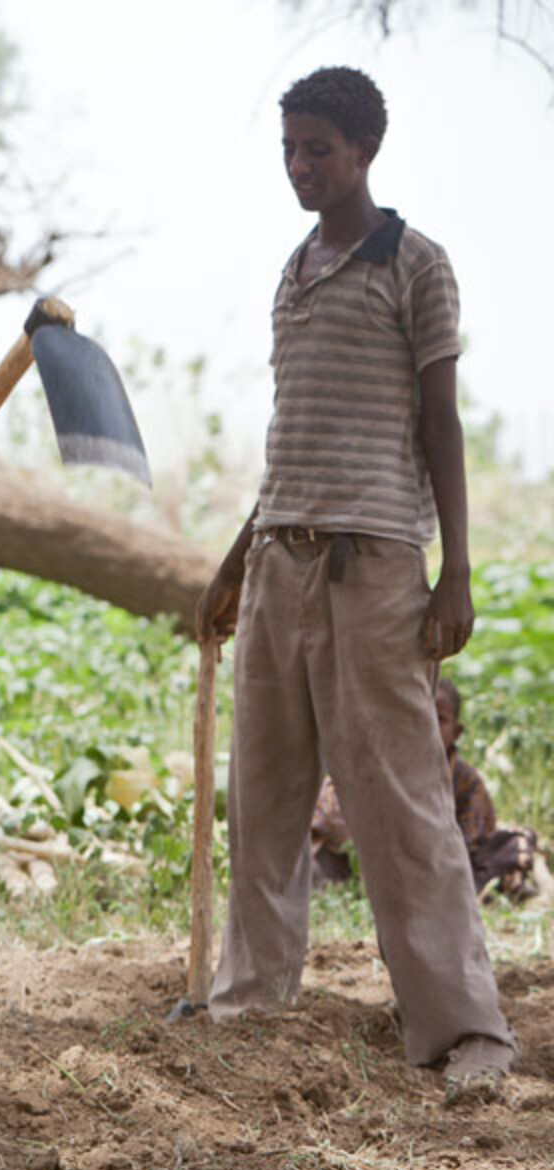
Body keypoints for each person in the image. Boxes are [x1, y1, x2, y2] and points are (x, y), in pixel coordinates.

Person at [195, 66, 518, 1092]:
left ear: (364, 150)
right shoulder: (293, 272)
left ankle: (464, 1030)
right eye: (288, 149)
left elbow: (438, 423)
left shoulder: (414, 265)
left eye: (317, 150)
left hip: (374, 565)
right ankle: (248, 999)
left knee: (399, 799)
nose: (299, 167)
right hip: (279, 562)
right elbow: (291, 439)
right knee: (265, 793)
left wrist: (453, 570)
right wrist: (235, 559)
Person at [312, 679, 540, 901]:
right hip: (368, 861)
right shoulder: (379, 765)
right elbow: (331, 814)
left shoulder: (465, 779)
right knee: (313, 862)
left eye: (439, 719)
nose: (428, 726)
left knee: (511, 847)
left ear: (457, 732)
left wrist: (432, 845)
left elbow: (474, 835)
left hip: (437, 863)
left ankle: (465, 894)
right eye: (420, 716)